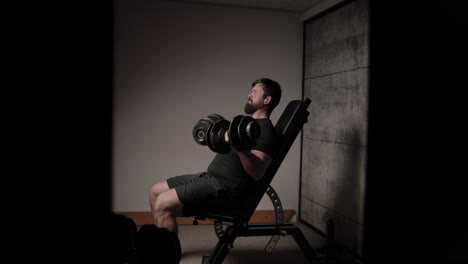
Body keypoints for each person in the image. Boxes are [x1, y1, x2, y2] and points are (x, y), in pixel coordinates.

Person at [149, 78, 282, 234]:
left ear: (267, 99)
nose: (249, 95)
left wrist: (237, 146)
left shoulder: (265, 130)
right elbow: (227, 144)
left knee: (162, 204)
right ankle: (159, 244)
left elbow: (258, 172)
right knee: (155, 191)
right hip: (209, 178)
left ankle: (167, 254)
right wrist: (216, 137)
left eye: (254, 92)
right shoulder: (245, 125)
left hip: (224, 189)